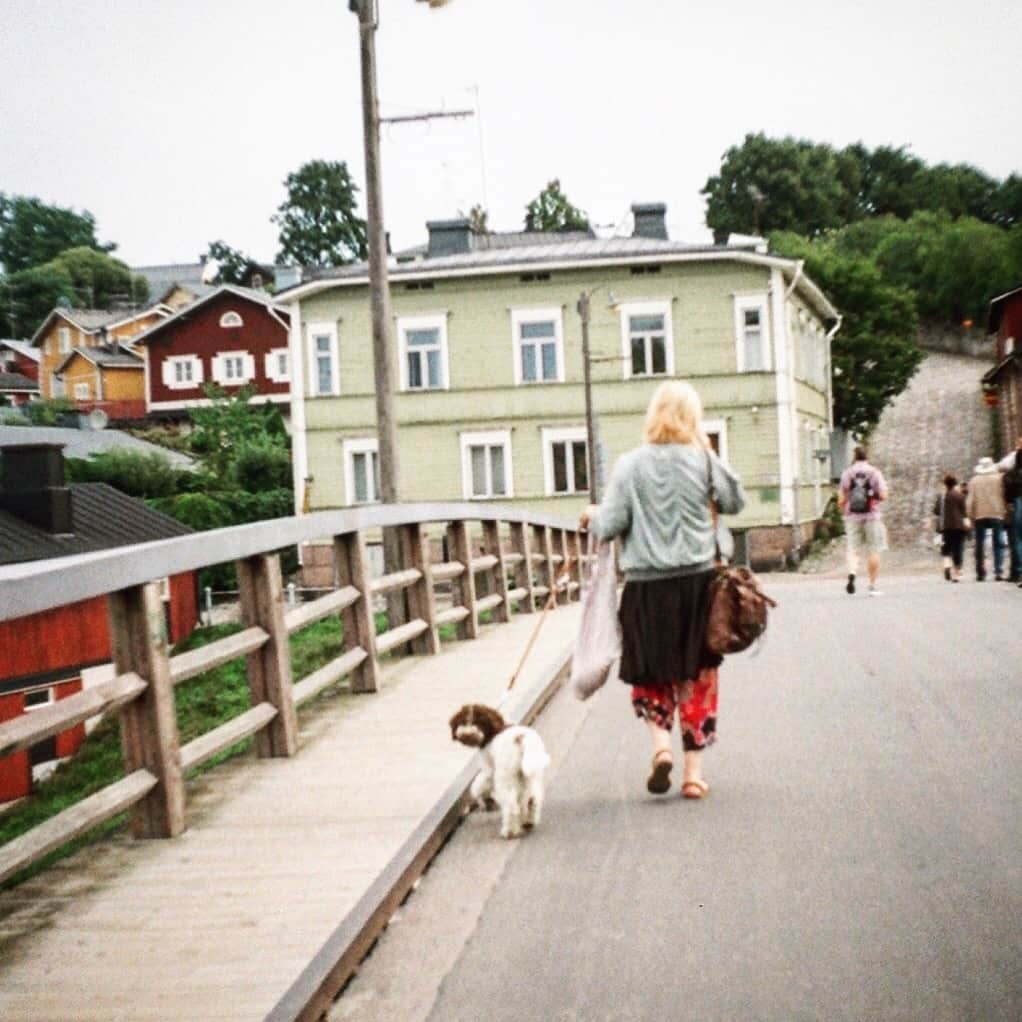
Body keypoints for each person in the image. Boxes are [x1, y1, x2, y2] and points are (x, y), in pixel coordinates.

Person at [579, 380, 745, 799]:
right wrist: (708, 452)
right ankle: (693, 775)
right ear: (693, 418)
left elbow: (611, 524)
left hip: (647, 589)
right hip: (699, 588)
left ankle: (661, 750)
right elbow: (735, 501)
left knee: (652, 673)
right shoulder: (703, 461)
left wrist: (592, 516)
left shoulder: (630, 465)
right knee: (698, 675)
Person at [838, 446, 889, 595]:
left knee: (853, 549)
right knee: (874, 550)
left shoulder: (847, 473)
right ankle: (872, 586)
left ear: (854, 457)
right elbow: (884, 496)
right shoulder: (874, 473)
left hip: (852, 516)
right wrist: (874, 497)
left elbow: (841, 498)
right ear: (867, 457)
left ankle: (852, 572)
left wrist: (845, 509)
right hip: (872, 516)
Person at [966, 457, 1007, 581]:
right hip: (997, 512)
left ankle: (980, 572)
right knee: (998, 542)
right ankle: (998, 570)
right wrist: (1005, 510)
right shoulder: (999, 479)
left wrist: (970, 515)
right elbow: (1004, 495)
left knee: (979, 543)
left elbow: (970, 501)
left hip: (980, 514)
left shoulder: (974, 481)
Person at [933, 474, 968, 582]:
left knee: (946, 549)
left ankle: (947, 566)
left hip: (945, 527)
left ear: (945, 484)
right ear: (955, 483)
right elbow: (964, 512)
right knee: (958, 549)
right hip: (958, 526)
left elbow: (936, 511)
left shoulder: (942, 496)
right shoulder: (960, 496)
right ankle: (957, 573)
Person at [997, 436, 1022, 585]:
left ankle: (1018, 571)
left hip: (1018, 502)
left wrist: (1008, 504)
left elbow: (1007, 491)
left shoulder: (1012, 474)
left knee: (1018, 538)